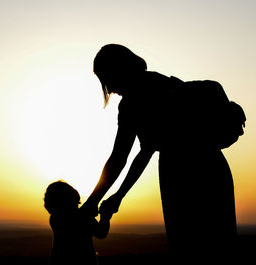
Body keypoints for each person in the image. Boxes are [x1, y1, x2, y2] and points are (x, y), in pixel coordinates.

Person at [81, 44, 238, 258]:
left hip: (180, 173)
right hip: (212, 164)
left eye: (106, 78)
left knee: (188, 248)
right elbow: (145, 152)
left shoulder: (131, 104)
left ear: (116, 71)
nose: (108, 87)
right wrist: (117, 196)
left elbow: (119, 158)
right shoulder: (163, 82)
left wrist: (93, 202)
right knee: (221, 245)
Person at [44, 180, 113, 265]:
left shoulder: (54, 218)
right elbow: (101, 232)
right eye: (75, 204)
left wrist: (89, 215)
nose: (77, 207)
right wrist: (105, 215)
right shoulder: (81, 218)